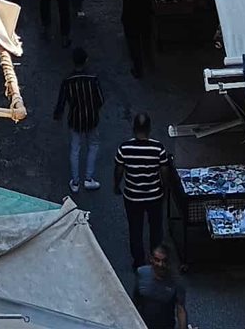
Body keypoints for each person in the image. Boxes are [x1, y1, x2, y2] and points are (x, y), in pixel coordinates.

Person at [114, 113, 169, 270]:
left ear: (134, 128)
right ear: (149, 128)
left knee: (135, 228)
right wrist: (164, 189)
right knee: (156, 228)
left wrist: (116, 185)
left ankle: (139, 260)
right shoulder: (158, 148)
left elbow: (119, 169)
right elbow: (164, 171)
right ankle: (156, 257)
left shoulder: (124, 148)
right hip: (154, 196)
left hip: (132, 196)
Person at [54, 47, 104, 194]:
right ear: (86, 60)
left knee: (75, 149)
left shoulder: (68, 81)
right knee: (93, 145)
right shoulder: (93, 79)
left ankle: (75, 182)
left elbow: (61, 102)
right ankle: (88, 178)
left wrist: (58, 115)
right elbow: (100, 100)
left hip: (75, 119)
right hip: (92, 118)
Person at [120, 0, 156, 79]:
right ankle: (149, 62)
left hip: (129, 13)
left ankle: (138, 68)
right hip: (144, 14)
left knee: (133, 42)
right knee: (146, 39)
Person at [134, 246, 187, 329]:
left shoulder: (177, 282)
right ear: (151, 259)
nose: (160, 264)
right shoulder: (141, 273)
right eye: (157, 260)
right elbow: (135, 301)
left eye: (164, 261)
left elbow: (180, 310)